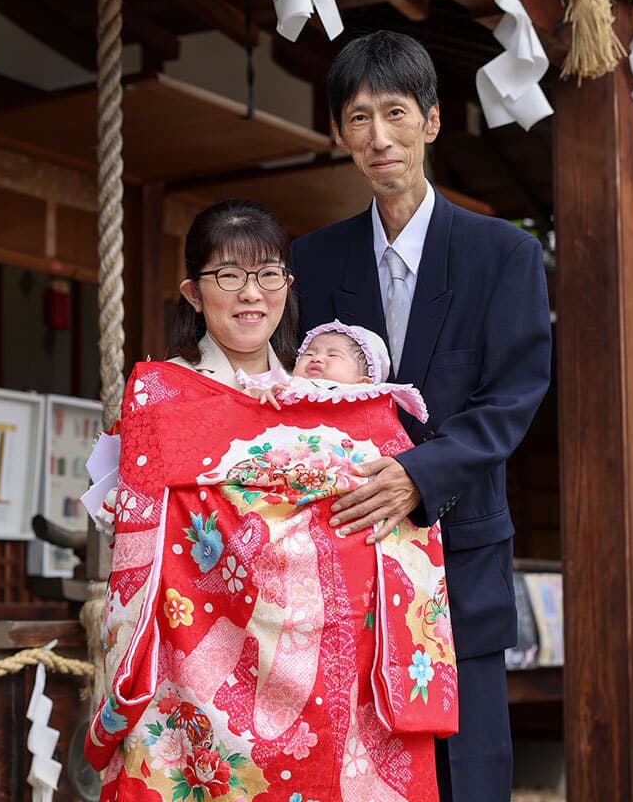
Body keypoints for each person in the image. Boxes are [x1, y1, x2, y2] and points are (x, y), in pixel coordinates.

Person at [85, 198, 458, 802]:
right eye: (228, 276)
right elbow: (141, 541)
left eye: (267, 275)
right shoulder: (161, 392)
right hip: (194, 670)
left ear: (287, 284)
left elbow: (390, 510)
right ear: (193, 290)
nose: (249, 293)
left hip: (335, 674)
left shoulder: (340, 398)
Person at [290, 31, 552, 802]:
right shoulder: (313, 259)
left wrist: (416, 473)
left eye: (395, 111)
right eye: (358, 117)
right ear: (341, 135)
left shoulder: (503, 253)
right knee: (352, 770)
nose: (378, 136)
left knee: (466, 775)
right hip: (343, 556)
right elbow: (286, 392)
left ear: (431, 122)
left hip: (461, 551)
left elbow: (513, 398)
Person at [239, 319, 429, 429]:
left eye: (333, 355)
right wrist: (265, 395)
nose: (317, 358)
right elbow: (247, 400)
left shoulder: (361, 400)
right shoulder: (285, 384)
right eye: (310, 353)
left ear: (363, 382)